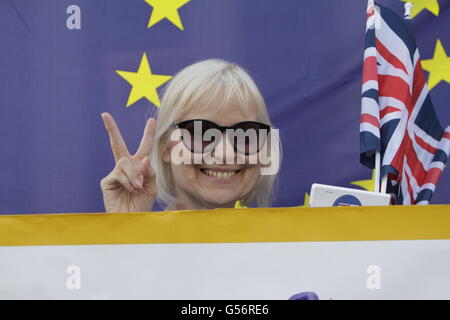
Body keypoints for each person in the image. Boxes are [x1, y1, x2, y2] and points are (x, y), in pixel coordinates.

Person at [100, 59, 281, 212]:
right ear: (165, 146)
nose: (224, 153)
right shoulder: (137, 242)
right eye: (201, 133)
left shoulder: (289, 247)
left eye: (244, 135)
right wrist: (125, 229)